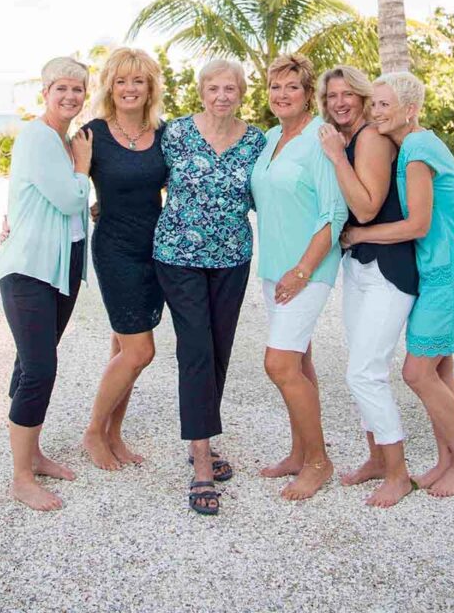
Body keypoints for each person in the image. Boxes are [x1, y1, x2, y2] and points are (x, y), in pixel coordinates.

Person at [340, 71, 454, 498]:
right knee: (441, 367)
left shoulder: (417, 149)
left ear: (410, 110)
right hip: (440, 269)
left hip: (441, 272)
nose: (376, 111)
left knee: (417, 372)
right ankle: (447, 459)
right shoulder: (417, 144)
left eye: (384, 104)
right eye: (375, 104)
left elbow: (418, 224)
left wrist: (361, 235)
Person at [153, 59, 266, 516]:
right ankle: (201, 462)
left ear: (241, 92)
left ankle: (200, 436)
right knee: (196, 349)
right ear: (201, 91)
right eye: (214, 88)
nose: (222, 95)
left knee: (219, 350)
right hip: (177, 256)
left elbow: (273, 196)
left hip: (232, 258)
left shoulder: (256, 141)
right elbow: (139, 182)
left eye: (230, 88)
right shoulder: (176, 135)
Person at [317, 65, 419, 508]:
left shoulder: (371, 140)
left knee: (366, 372)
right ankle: (377, 458)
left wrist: (337, 158)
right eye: (331, 96)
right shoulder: (352, 138)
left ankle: (398, 473)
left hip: (389, 269)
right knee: (359, 367)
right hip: (360, 267)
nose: (339, 102)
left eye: (347, 95)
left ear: (361, 98)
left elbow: (365, 207)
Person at [0, 56, 93, 511]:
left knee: (31, 362)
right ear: (45, 92)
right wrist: (84, 167)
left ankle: (32, 455)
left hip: (61, 266)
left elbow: (42, 199)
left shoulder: (62, 138)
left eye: (78, 89)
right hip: (30, 268)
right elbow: (69, 196)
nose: (70, 96)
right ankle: (20, 477)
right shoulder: (40, 137)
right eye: (62, 89)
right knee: (39, 369)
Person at [250, 53, 347, 501]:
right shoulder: (271, 137)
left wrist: (304, 269)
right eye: (275, 87)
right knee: (300, 362)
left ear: (309, 94)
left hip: (308, 268)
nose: (282, 95)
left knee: (280, 364)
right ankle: (299, 451)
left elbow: (334, 212)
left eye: (292, 87)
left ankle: (319, 463)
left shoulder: (319, 138)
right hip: (273, 268)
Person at [82, 48, 168, 471]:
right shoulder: (91, 134)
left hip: (157, 250)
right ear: (110, 88)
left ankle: (115, 433)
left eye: (138, 81)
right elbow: (65, 186)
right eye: (121, 81)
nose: (129, 89)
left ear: (150, 86)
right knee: (139, 350)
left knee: (122, 346)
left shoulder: (164, 134)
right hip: (115, 249)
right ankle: (94, 432)